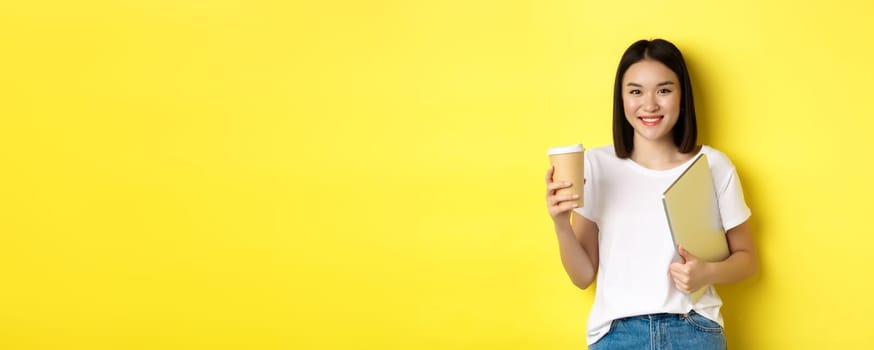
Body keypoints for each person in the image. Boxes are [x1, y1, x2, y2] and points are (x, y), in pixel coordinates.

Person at [545, 39, 758, 349]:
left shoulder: (713, 165)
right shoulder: (595, 165)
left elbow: (748, 260)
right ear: (621, 100)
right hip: (616, 335)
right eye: (635, 91)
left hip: (693, 329)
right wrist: (561, 224)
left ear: (682, 96)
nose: (649, 105)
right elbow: (582, 277)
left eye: (664, 90)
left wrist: (706, 272)